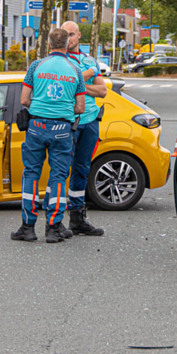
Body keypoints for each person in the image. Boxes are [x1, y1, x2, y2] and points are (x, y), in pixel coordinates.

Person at [11, 27, 85, 244]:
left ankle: (28, 227)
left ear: (49, 44)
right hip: (62, 130)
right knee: (59, 176)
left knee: (31, 173)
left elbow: (24, 100)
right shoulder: (75, 70)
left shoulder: (36, 66)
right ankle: (53, 228)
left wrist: (42, 106)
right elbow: (80, 107)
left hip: (36, 126)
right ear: (67, 44)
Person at [61, 20, 107, 236]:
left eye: (71, 34)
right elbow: (63, 89)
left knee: (81, 169)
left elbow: (102, 92)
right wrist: (84, 79)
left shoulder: (90, 60)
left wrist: (78, 84)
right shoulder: (58, 61)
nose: (68, 38)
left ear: (79, 35)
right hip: (66, 122)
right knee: (60, 170)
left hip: (89, 121)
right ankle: (56, 219)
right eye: (64, 34)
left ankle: (78, 218)